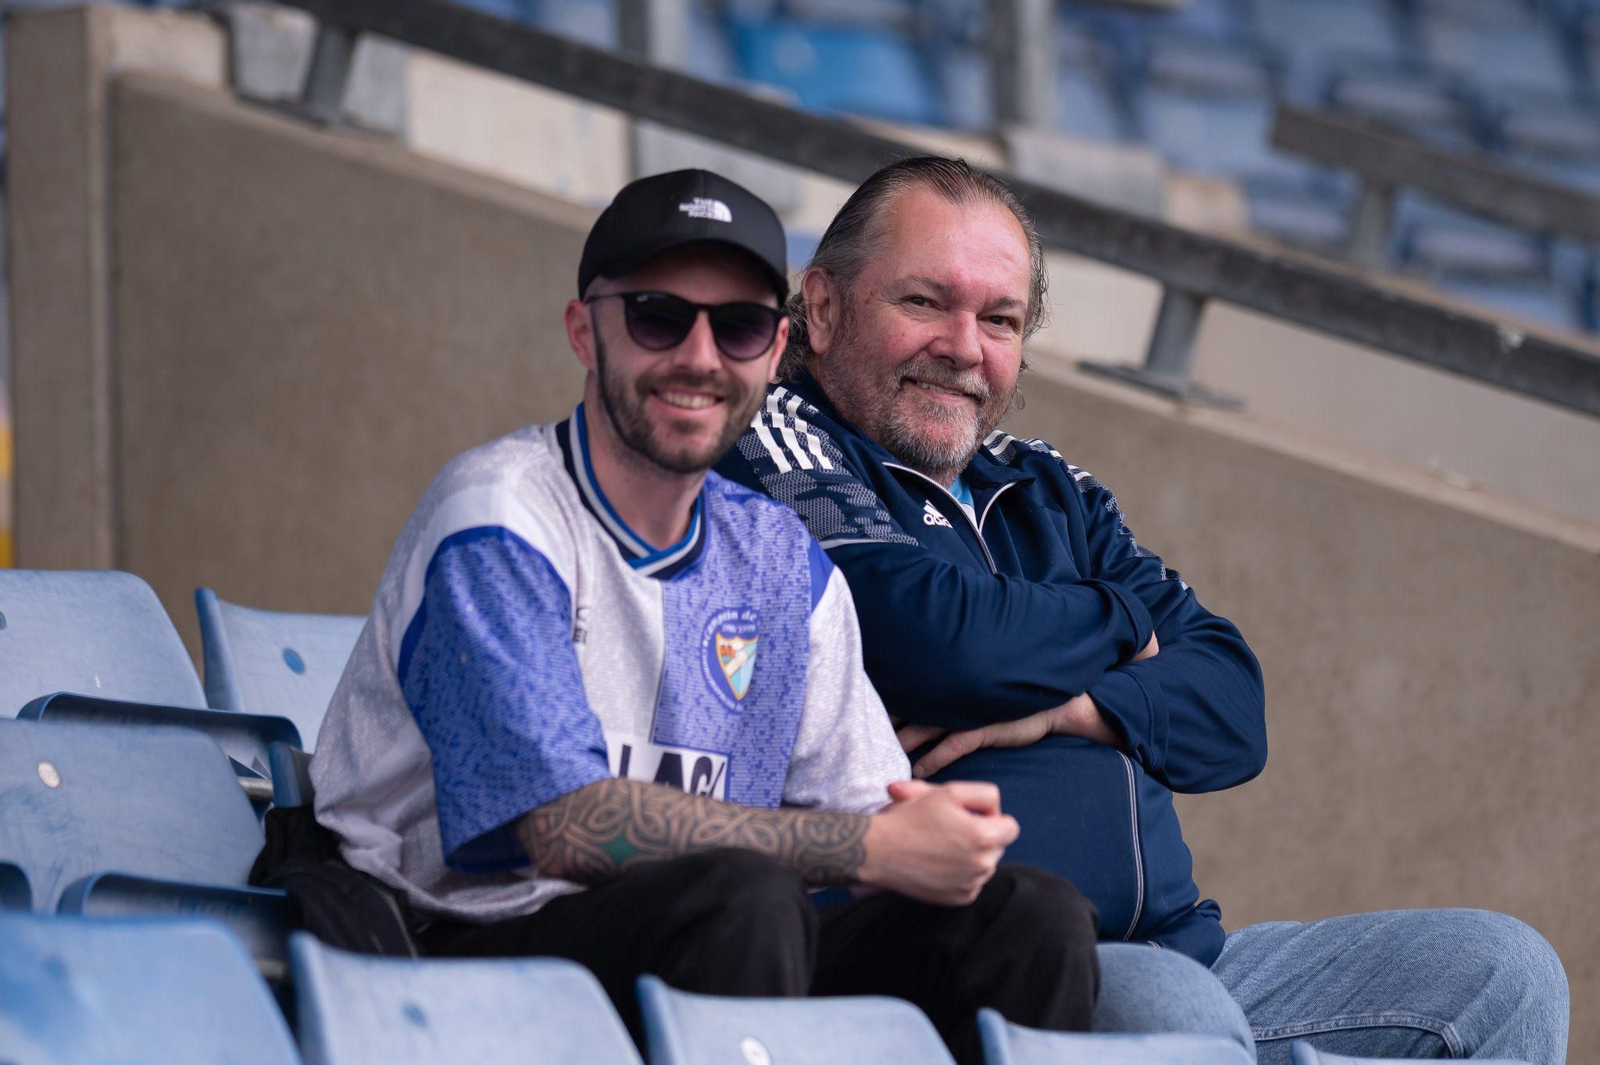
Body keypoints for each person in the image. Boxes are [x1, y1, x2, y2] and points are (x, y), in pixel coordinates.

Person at [716, 155, 1569, 1065]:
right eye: (926, 302)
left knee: (1504, 973)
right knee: (1180, 1021)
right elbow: (931, 638)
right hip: (976, 968)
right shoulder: (779, 441)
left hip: (1192, 952)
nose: (965, 346)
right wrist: (1121, 620)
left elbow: (1232, 710)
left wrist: (1069, 706)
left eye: (999, 319)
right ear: (825, 305)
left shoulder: (1048, 486)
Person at [309, 168, 1100, 1064]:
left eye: (737, 327)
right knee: (745, 895)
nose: (698, 356)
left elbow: (873, 811)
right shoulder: (500, 517)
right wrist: (867, 846)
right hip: (448, 948)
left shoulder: (778, 557)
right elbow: (559, 828)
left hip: (712, 942)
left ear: (774, 352)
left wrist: (938, 842)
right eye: (657, 316)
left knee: (1031, 917)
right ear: (584, 330)